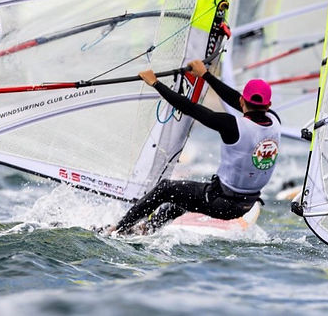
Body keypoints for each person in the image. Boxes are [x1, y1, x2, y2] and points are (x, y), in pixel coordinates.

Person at [104, 60, 281, 235]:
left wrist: (155, 83)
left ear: (243, 100)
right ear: (268, 106)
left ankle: (118, 229)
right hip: (246, 205)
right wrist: (205, 75)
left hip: (220, 201)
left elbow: (189, 107)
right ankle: (147, 229)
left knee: (166, 188)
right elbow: (235, 100)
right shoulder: (275, 121)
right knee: (182, 199)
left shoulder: (233, 126)